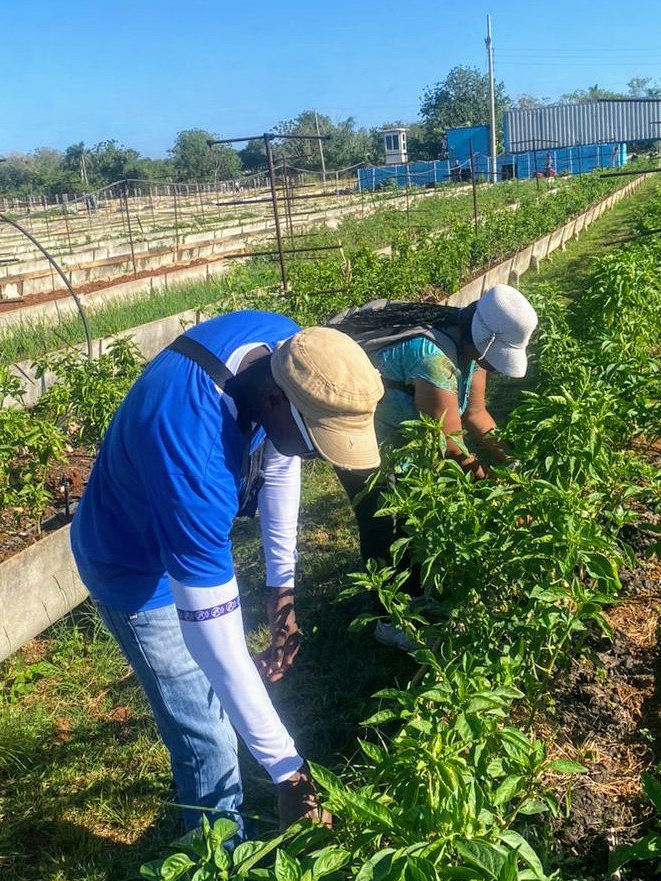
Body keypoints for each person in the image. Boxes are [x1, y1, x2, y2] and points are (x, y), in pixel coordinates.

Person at [70, 313, 383, 833]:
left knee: (222, 710)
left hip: (169, 511)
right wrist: (290, 775)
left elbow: (282, 458)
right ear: (274, 402)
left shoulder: (285, 351)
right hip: (130, 563)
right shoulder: (194, 455)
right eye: (317, 444)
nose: (317, 459)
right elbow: (217, 649)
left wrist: (280, 598)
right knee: (207, 735)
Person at [328, 284, 538, 647]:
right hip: (355, 430)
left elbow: (476, 414)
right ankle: (388, 618)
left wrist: (515, 463)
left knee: (411, 513)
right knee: (380, 517)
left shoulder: (472, 349)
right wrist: (499, 494)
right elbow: (451, 448)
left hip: (399, 436)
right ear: (486, 339)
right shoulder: (435, 359)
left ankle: (414, 595)